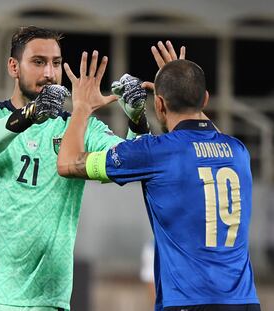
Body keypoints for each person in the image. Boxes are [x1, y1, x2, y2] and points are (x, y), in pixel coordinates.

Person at [0, 26, 148, 311]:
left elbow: (131, 163)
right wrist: (28, 115)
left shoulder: (76, 129)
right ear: (14, 66)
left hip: (43, 298)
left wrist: (137, 120)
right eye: (38, 62)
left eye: (56, 63)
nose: (49, 73)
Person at [57, 49, 261, 310]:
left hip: (188, 303)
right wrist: (182, 83)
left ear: (160, 105)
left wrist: (82, 108)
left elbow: (66, 163)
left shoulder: (156, 151)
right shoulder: (238, 151)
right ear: (206, 99)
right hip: (245, 302)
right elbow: (209, 133)